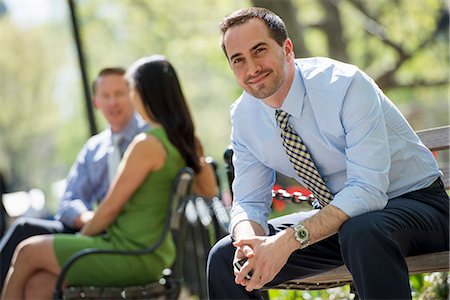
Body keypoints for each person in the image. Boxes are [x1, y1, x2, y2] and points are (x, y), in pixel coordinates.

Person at [207, 7, 448, 300]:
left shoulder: (345, 85)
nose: (252, 68)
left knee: (361, 231)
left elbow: (367, 191)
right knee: (224, 257)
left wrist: (286, 242)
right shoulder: (245, 116)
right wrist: (248, 241)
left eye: (259, 50)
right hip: (341, 224)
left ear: (287, 48)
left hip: (418, 206)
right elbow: (248, 200)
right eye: (239, 60)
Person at [1, 55, 217, 299]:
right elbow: (209, 190)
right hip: (149, 252)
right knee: (37, 286)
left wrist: (80, 242)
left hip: (129, 252)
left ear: (144, 93)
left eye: (130, 90)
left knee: (26, 251)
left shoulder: (146, 144)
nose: (131, 97)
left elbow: (109, 210)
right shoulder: (182, 141)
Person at [0, 67, 148, 291]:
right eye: (105, 96)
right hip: (94, 229)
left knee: (27, 247)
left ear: (132, 95)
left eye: (119, 93)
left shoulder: (149, 138)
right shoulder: (94, 149)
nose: (113, 102)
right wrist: (89, 218)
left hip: (130, 234)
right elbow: (68, 202)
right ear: (96, 102)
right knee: (25, 230)